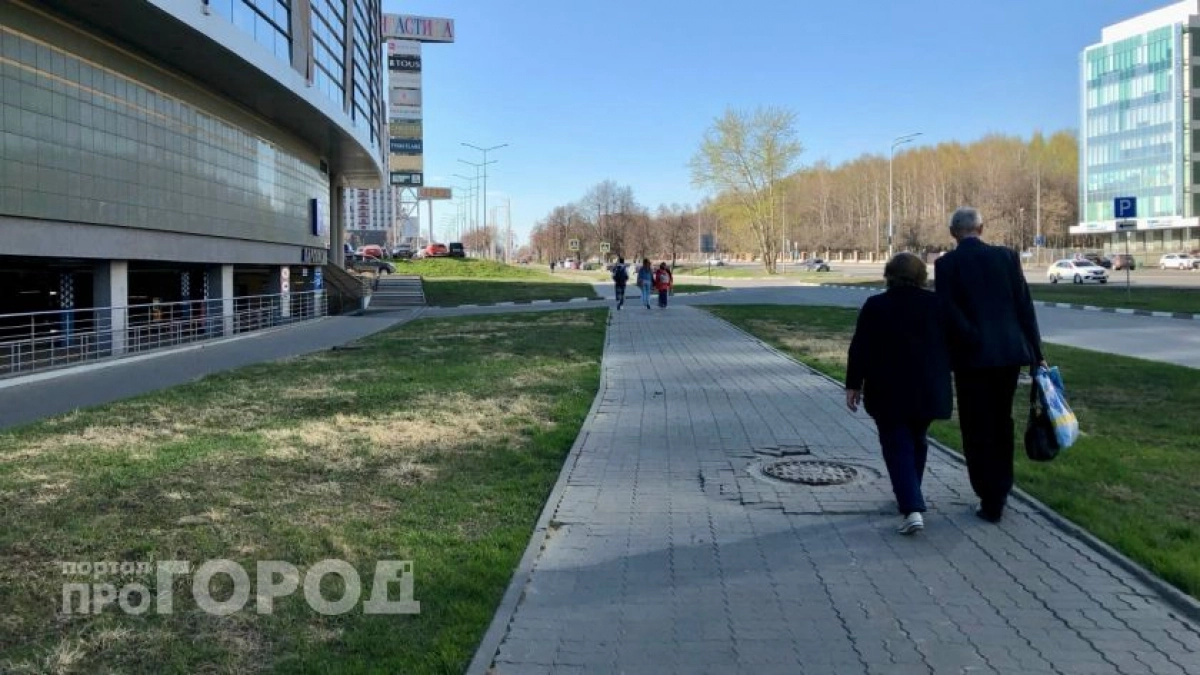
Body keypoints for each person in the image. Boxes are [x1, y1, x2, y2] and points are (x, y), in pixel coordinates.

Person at [935, 206, 1045, 524]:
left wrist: (969, 338)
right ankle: (1001, 489)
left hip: (971, 358)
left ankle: (987, 494)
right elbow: (1025, 306)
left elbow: (948, 312)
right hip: (1009, 356)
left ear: (954, 232)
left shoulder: (947, 265)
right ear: (981, 229)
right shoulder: (1007, 257)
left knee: (975, 425)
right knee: (1001, 421)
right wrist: (1037, 354)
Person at [845, 253, 954, 535]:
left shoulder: (877, 305)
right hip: (929, 389)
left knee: (897, 446)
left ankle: (911, 507)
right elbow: (960, 340)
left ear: (889, 275)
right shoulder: (937, 305)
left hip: (888, 390)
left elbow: (860, 348)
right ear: (921, 276)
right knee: (917, 440)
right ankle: (911, 495)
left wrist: (853, 384)